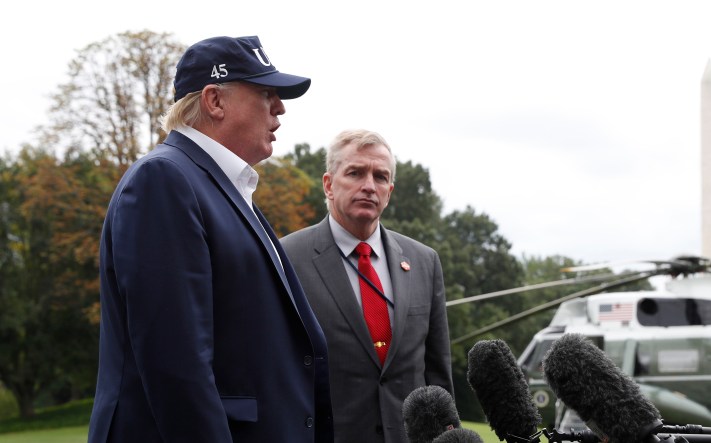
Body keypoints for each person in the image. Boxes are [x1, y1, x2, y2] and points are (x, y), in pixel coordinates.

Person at [88, 35, 333, 443]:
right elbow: (176, 367)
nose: (280, 108)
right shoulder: (164, 180)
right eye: (266, 93)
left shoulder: (218, 188)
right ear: (214, 101)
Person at [281, 129, 453, 443]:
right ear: (329, 185)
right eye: (356, 173)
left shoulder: (424, 262)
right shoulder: (287, 259)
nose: (369, 186)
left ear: (390, 190)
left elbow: (437, 374)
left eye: (380, 176)